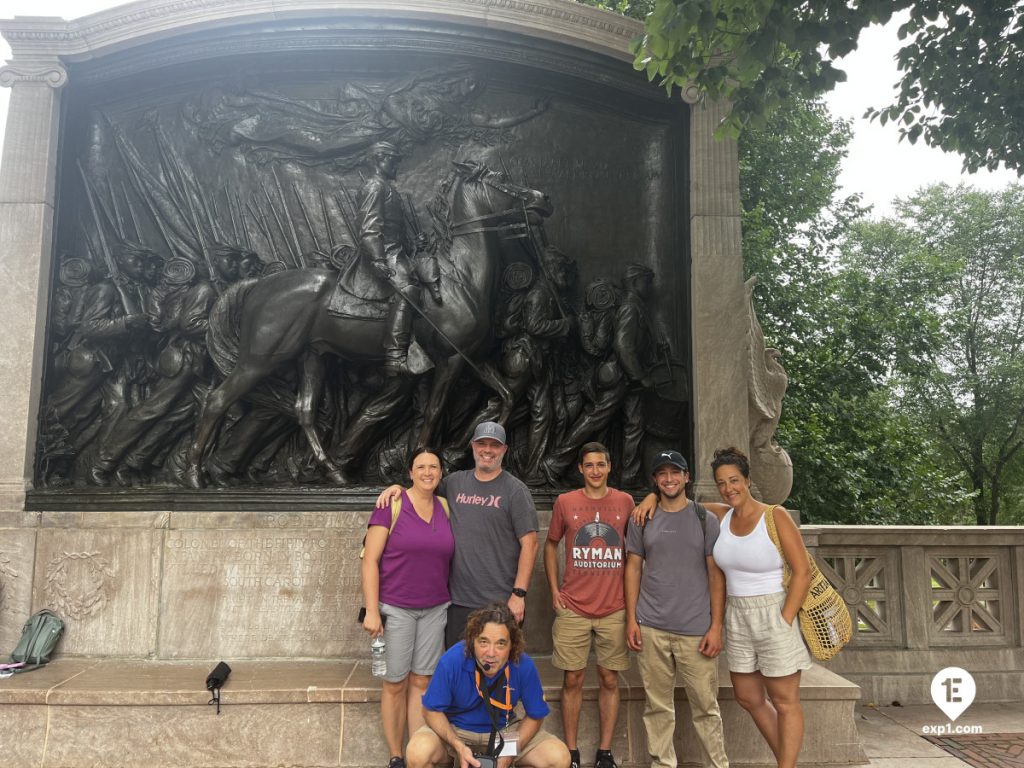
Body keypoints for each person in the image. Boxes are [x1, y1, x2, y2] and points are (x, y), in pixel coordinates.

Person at [377, 421, 538, 648]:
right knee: (459, 666)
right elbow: (423, 490)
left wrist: (518, 595)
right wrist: (399, 490)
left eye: (494, 445)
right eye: (482, 443)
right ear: (473, 446)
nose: (488, 450)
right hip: (456, 601)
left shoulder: (515, 490)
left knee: (495, 670)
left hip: (500, 601)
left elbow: (530, 544)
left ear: (504, 450)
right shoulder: (453, 483)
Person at [624, 450, 729, 768]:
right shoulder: (642, 518)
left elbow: (715, 574)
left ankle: (717, 764)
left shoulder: (705, 519)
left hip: (696, 630)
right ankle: (662, 764)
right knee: (657, 707)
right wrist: (631, 619)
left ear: (687, 477)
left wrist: (715, 627)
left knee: (706, 706)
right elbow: (632, 569)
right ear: (655, 481)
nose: (669, 478)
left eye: (675, 472)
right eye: (662, 473)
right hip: (652, 626)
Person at [709, 447, 811, 768]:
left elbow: (803, 571)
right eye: (722, 483)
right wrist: (654, 499)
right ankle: (786, 760)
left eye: (734, 480)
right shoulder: (722, 516)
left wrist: (784, 619)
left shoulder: (774, 515)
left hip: (774, 611)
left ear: (748, 480)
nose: (729, 489)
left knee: (784, 701)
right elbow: (683, 505)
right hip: (737, 616)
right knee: (749, 697)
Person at [363, 446, 456, 768]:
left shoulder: (444, 506)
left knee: (422, 682)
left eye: (434, 466)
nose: (428, 472)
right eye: (421, 467)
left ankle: (417, 749)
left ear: (441, 473)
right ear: (410, 472)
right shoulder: (391, 505)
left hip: (435, 608)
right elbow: (370, 562)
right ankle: (396, 755)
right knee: (395, 683)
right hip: (396, 609)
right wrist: (372, 610)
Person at [543, 442, 633, 768]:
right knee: (573, 680)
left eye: (601, 464)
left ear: (609, 467)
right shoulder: (566, 502)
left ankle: (605, 751)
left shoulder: (625, 501)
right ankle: (571, 750)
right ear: (580, 469)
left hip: (614, 608)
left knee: (609, 679)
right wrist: (555, 590)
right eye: (589, 465)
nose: (595, 470)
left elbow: (634, 554)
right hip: (573, 608)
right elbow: (550, 546)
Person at [405, 602, 570, 768]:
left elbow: (536, 715)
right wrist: (457, 745)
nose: (491, 653)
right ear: (472, 642)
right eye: (483, 642)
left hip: (504, 731)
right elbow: (430, 710)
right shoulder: (452, 660)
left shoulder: (523, 664)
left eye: (500, 644)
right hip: (456, 729)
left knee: (558, 757)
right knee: (417, 752)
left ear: (512, 646)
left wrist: (508, 755)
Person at [357, 140, 441, 376]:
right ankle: (395, 356)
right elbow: (369, 227)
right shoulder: (374, 187)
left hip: (397, 251)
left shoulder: (388, 188)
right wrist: (377, 259)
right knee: (408, 290)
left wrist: (415, 244)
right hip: (384, 254)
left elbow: (394, 229)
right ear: (378, 159)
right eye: (392, 160)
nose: (396, 165)